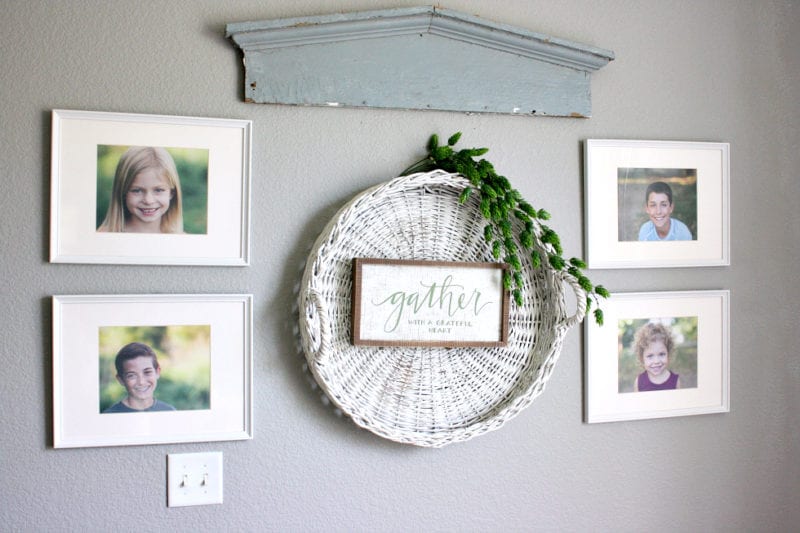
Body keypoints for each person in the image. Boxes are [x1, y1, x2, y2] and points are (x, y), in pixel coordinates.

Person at [97, 146, 184, 233]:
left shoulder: (181, 239)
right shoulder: (104, 235)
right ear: (123, 192)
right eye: (137, 190)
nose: (148, 201)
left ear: (172, 193)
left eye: (158, 190)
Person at [103, 342, 176, 413]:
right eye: (131, 375)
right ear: (121, 379)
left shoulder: (170, 411)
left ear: (157, 372)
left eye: (147, 372)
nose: (141, 382)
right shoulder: (109, 416)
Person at [632, 322, 681, 392]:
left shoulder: (675, 381)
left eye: (661, 354)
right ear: (642, 358)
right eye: (650, 356)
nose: (656, 361)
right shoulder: (639, 382)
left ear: (668, 353)